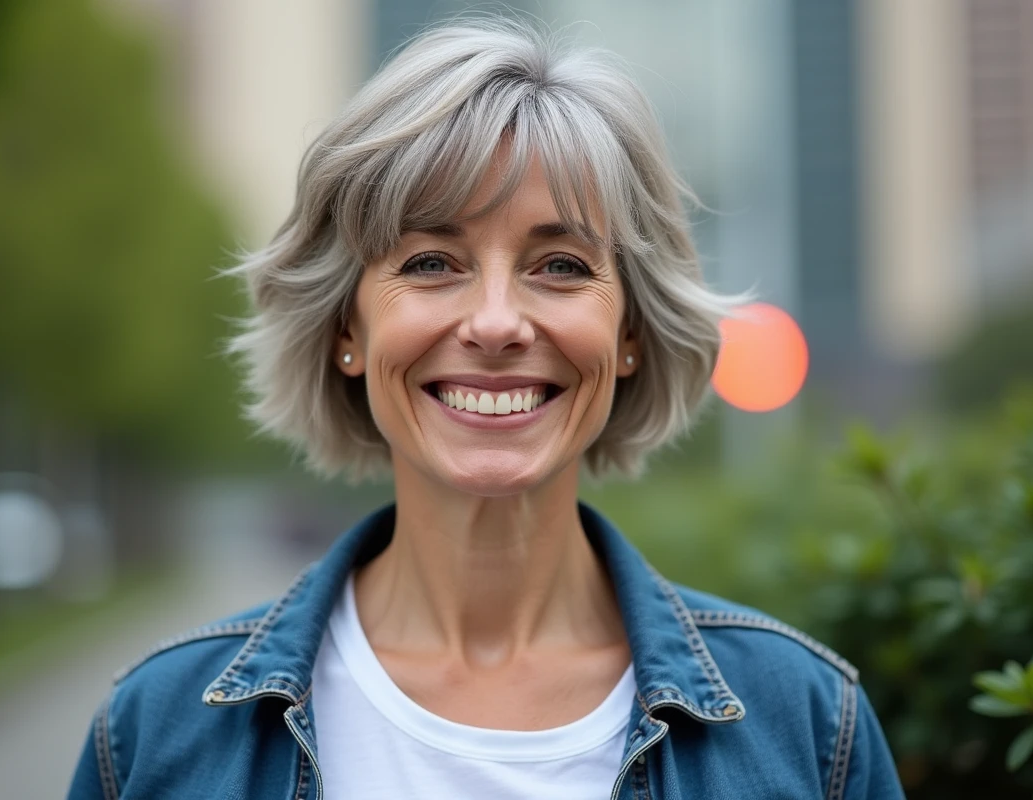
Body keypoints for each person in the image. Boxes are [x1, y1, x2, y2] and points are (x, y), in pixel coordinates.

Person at [68, 18, 905, 800]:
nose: (498, 322)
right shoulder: (159, 731)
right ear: (345, 331)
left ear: (631, 334)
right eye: (432, 262)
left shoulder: (807, 724)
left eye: (562, 267)